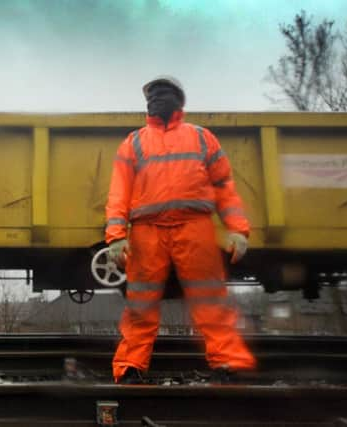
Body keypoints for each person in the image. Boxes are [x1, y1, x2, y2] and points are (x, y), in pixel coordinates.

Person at [105, 77, 256, 384]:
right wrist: (117, 237)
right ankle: (130, 366)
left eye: (163, 94)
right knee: (140, 304)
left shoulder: (202, 138)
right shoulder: (133, 143)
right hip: (148, 232)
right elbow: (118, 193)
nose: (157, 100)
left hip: (194, 228)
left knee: (210, 300)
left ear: (179, 101)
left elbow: (224, 187)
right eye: (153, 96)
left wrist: (238, 229)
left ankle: (228, 362)